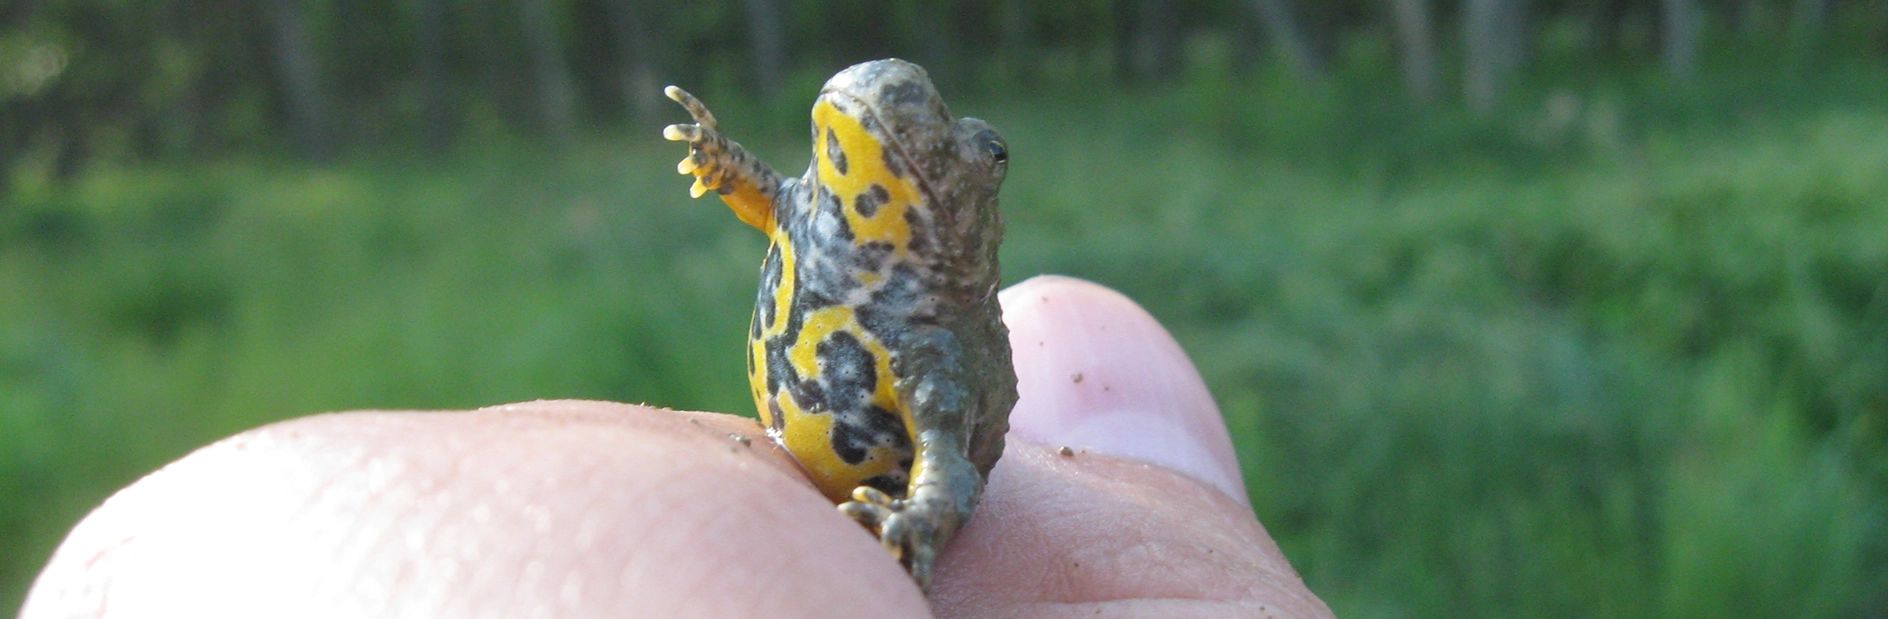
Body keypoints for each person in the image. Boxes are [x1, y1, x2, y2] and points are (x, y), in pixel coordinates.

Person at [21, 276, 1335, 618]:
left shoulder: (944, 308)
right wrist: (733, 171)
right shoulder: (838, 212)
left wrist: (933, 509)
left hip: (919, 477)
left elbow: (958, 440)